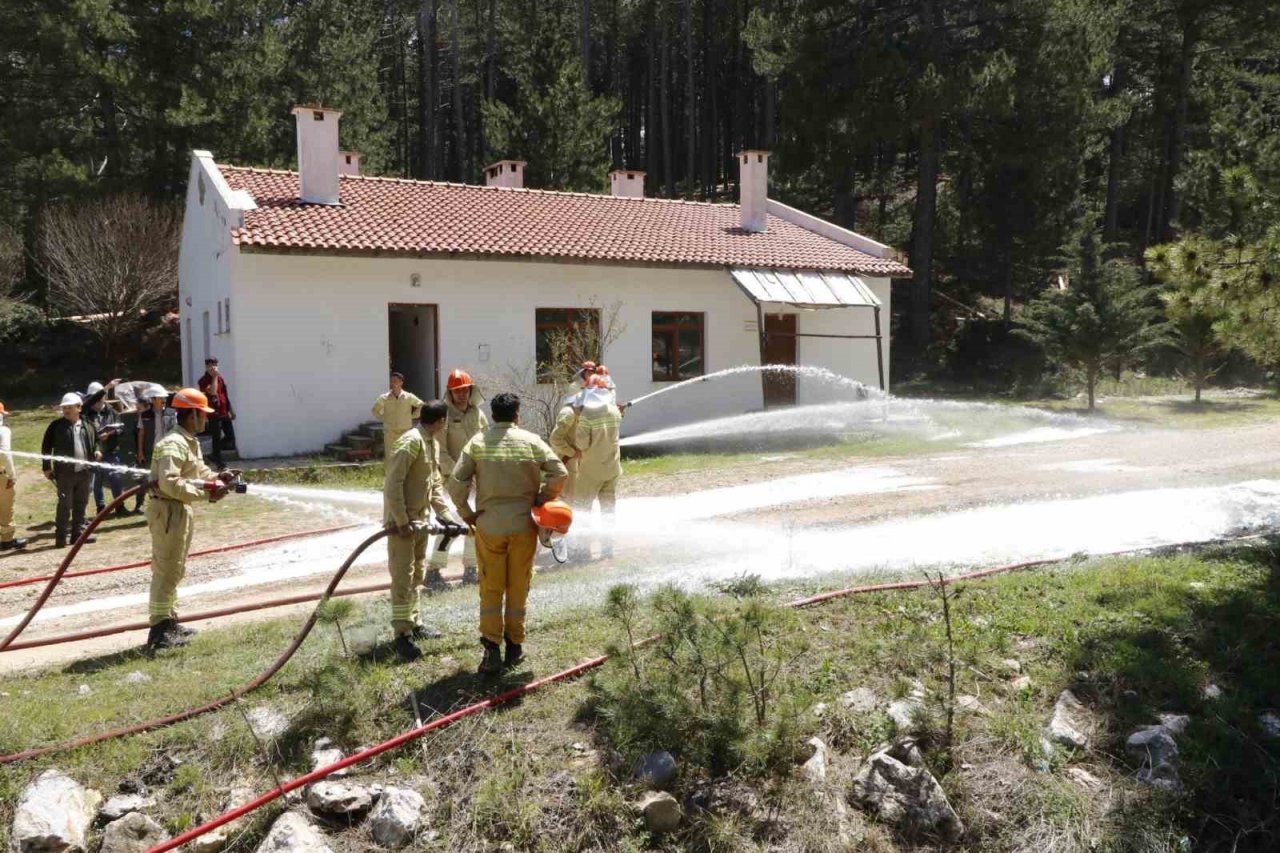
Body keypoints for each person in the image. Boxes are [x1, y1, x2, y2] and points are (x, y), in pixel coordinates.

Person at [449, 392, 567, 675]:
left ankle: (491, 649)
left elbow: (456, 485)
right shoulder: (531, 441)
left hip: (489, 527)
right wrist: (541, 499)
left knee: (491, 587)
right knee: (518, 586)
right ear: (517, 415)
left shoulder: (477, 443)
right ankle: (515, 647)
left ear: (492, 416)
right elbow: (559, 472)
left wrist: (467, 514)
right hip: (524, 526)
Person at [144, 388, 238, 651]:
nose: (206, 420)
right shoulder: (174, 444)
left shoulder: (188, 441)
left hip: (178, 509)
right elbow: (170, 482)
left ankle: (169, 622)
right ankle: (159, 632)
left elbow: (199, 471)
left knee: (175, 568)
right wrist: (206, 492)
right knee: (166, 569)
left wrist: (220, 478)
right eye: (203, 415)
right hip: (168, 509)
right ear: (193, 414)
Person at [383, 400, 460, 661]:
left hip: (420, 522)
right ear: (441, 421)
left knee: (416, 574)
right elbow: (393, 484)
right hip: (402, 525)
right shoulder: (411, 442)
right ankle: (401, 635)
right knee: (403, 578)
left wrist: (447, 516)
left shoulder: (431, 443)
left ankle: (415, 624)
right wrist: (402, 521)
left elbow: (435, 484)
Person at [426, 369, 487, 587]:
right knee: (450, 524)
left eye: (464, 390)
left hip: (478, 479)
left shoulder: (478, 414)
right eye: (456, 391)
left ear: (471, 390)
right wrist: (459, 476)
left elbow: (487, 441)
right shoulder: (446, 417)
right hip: (453, 479)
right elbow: (440, 451)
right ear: (449, 393)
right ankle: (433, 570)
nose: (461, 394)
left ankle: (471, 569)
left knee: (473, 523)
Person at [563, 374, 624, 561]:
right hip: (612, 469)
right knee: (608, 510)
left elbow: (582, 444)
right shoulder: (614, 411)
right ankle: (608, 549)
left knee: (582, 509)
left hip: (591, 471)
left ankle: (582, 551)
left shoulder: (587, 416)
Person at [41, 393, 102, 548]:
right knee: (64, 505)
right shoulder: (56, 426)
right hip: (64, 474)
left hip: (84, 472)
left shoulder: (88, 424)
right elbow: (46, 447)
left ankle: (77, 536)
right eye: (64, 407)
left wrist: (97, 451)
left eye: (69, 407)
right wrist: (46, 467)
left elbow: (97, 441)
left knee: (81, 504)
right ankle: (60, 538)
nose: (66, 410)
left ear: (79, 408)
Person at [82, 380, 126, 516]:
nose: (98, 402)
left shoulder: (111, 411)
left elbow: (121, 427)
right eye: (95, 399)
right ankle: (101, 508)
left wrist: (111, 433)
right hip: (94, 452)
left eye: (101, 399)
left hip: (111, 450)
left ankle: (119, 506)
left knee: (116, 477)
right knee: (97, 479)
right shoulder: (85, 413)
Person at [372, 372, 424, 460]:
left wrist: (413, 416)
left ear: (401, 383)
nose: (393, 383)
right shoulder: (384, 398)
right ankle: (390, 474)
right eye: (391, 381)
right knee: (391, 457)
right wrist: (384, 418)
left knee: (405, 456)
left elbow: (422, 405)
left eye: (395, 381)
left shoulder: (408, 397)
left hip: (405, 431)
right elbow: (375, 410)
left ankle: (405, 474)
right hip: (390, 432)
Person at [197, 358, 237, 470]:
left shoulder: (221, 379)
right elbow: (213, 392)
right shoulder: (203, 381)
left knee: (230, 438)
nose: (213, 367)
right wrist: (214, 377)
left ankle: (214, 454)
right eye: (210, 365)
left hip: (224, 412)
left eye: (215, 365)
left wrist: (231, 411)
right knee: (216, 437)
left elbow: (225, 396)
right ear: (206, 367)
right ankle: (219, 462)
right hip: (213, 413)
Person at [0, 403, 28, 551]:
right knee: (5, 508)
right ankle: (7, 540)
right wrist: (12, 475)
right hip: (1, 475)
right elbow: (5, 453)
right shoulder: (3, 431)